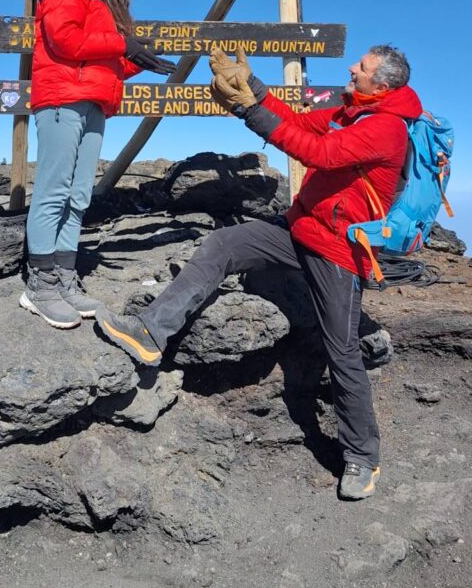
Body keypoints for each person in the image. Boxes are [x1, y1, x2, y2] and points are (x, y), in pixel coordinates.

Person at [95, 44, 422, 500]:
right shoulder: (351, 110)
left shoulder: (386, 128)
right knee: (223, 244)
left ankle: (362, 458)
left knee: (342, 351)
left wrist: (249, 109)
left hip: (337, 250)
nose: (351, 68)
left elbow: (318, 153)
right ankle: (150, 334)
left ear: (381, 84)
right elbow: (299, 122)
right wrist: (255, 88)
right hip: (300, 228)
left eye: (361, 68)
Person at [20, 0, 176, 330]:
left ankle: (65, 276)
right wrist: (124, 45)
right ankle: (40, 284)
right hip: (61, 98)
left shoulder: (107, 1)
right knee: (54, 189)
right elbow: (64, 40)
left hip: (93, 101)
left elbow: (101, 61)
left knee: (78, 193)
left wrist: (136, 60)